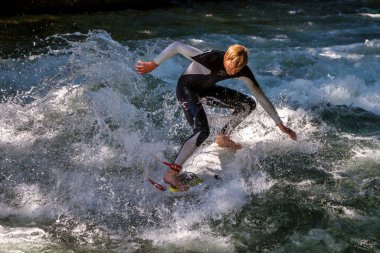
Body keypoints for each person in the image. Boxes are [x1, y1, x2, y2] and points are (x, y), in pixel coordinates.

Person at [135, 41, 297, 191]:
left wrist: (279, 124)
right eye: (231, 66)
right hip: (187, 89)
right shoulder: (211, 57)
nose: (233, 71)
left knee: (248, 104)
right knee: (202, 131)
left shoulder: (242, 70)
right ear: (226, 56)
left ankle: (222, 137)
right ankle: (171, 173)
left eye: (237, 69)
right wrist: (153, 64)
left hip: (205, 90)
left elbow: (260, 96)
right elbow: (176, 46)